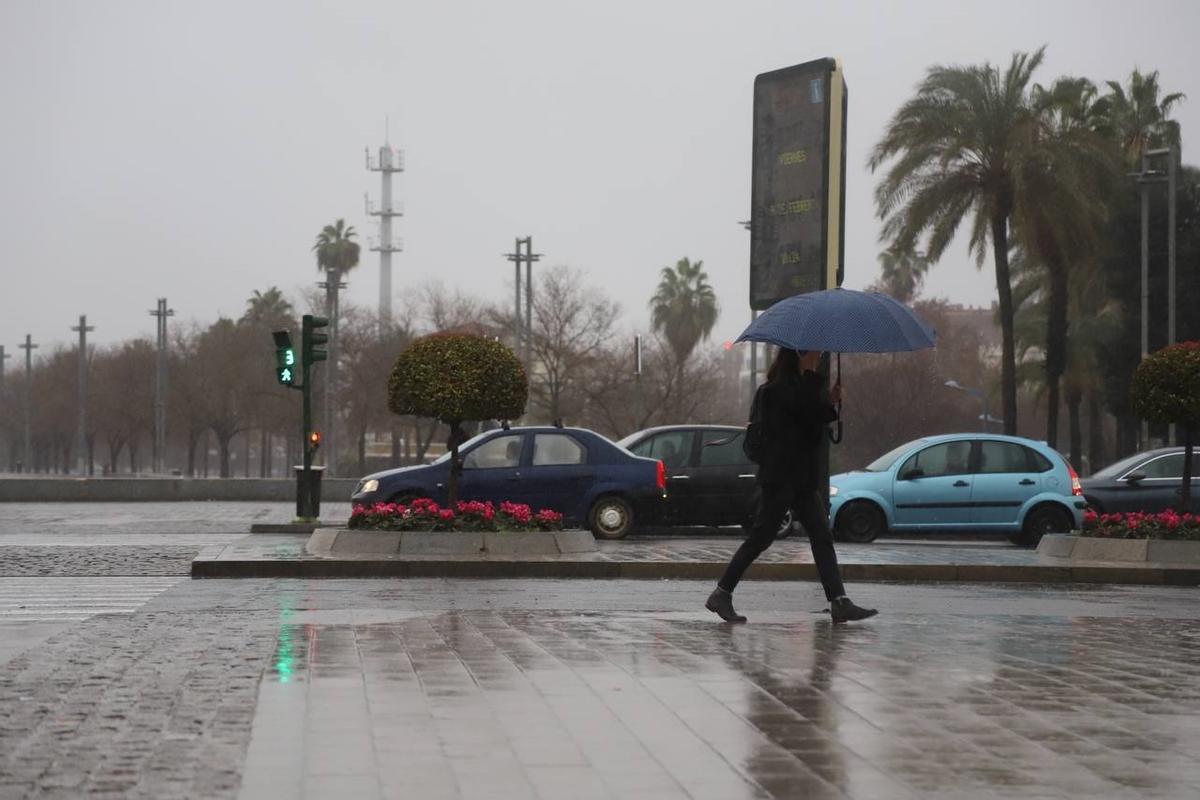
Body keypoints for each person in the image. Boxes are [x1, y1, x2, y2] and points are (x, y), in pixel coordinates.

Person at [706, 348, 877, 624]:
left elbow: (805, 423)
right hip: (782, 478)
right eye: (815, 352)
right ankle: (721, 593)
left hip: (800, 480)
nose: (819, 356)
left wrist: (825, 402)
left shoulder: (795, 388)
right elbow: (801, 430)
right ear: (800, 354)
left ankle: (839, 601)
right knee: (761, 537)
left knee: (821, 536)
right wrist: (827, 403)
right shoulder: (780, 391)